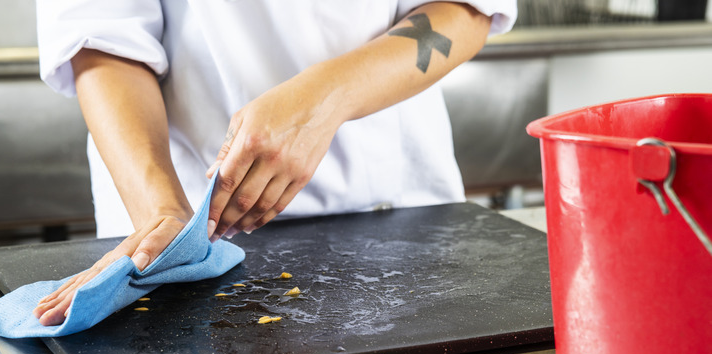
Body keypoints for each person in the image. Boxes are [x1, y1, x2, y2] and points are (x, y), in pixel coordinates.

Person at [32, 0, 518, 326]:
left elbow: (467, 9)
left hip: (400, 219)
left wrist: (325, 100)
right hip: (188, 222)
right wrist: (161, 212)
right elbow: (101, 40)